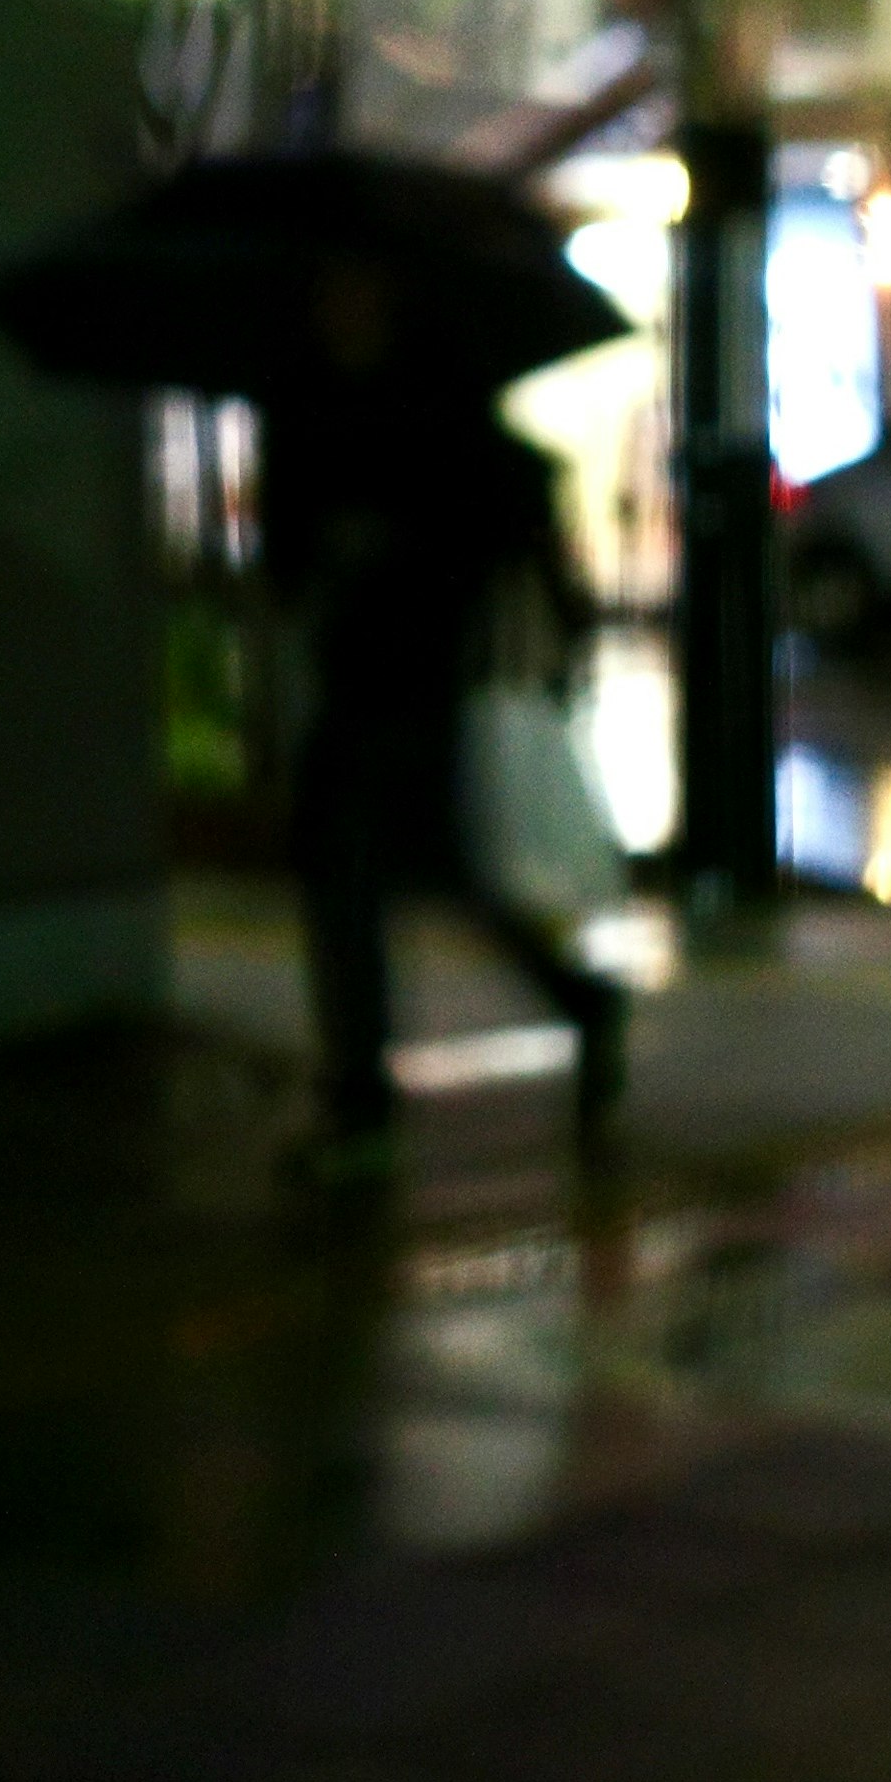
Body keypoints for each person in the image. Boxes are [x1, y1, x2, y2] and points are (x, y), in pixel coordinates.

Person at [262, 252, 625, 1166]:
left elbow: (498, 516)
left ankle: (361, 1091)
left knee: (354, 864)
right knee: (426, 870)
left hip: (414, 671)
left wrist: (392, 548)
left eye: (360, 291)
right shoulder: (309, 403)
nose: (345, 308)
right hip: (354, 667)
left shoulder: (434, 404)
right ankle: (577, 1000)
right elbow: (287, 548)